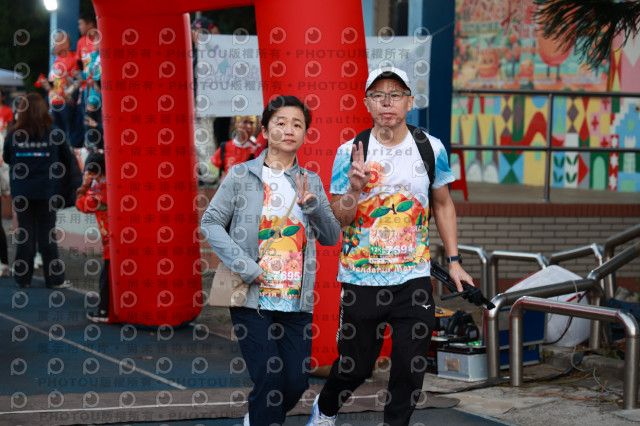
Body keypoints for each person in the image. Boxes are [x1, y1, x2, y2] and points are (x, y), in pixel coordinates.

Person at [307, 67, 475, 426]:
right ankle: (325, 409)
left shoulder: (430, 148)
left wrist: (455, 260)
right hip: (361, 279)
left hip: (413, 279)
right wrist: (354, 189)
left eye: (396, 94)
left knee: (411, 367)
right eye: (379, 95)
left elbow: (443, 204)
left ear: (409, 102)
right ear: (367, 103)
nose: (387, 102)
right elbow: (340, 218)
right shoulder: (350, 152)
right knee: (355, 366)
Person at [201, 95, 340, 426]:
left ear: (304, 133)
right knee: (269, 379)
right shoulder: (241, 175)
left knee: (295, 383)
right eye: (280, 122)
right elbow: (211, 222)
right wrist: (246, 266)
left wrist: (313, 206)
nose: (289, 130)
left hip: (296, 302)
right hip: (252, 297)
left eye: (297, 124)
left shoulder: (311, 181)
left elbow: (331, 236)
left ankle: (257, 417)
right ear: (264, 130)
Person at [3, 93, 71, 289]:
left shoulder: (14, 135)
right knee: (47, 234)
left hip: (22, 191)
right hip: (47, 190)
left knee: (25, 233)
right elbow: (67, 158)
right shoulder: (54, 133)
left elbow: (7, 158)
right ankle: (54, 280)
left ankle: (23, 279)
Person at [75, 152, 110, 322]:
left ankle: (105, 311)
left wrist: (84, 186)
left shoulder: (98, 190)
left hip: (111, 240)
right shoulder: (115, 183)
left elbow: (81, 205)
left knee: (107, 277)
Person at [38, 30, 83, 148]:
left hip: (66, 103)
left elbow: (79, 80)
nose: (54, 44)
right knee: (57, 135)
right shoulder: (57, 59)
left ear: (66, 43)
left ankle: (71, 155)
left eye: (57, 41)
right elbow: (56, 81)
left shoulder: (74, 58)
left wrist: (69, 94)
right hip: (54, 102)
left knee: (69, 135)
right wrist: (46, 84)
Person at [191, 16, 221, 186]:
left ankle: (210, 176)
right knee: (201, 139)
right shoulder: (201, 51)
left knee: (204, 139)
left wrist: (198, 103)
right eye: (195, 31)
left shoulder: (209, 52)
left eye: (199, 31)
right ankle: (208, 174)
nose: (195, 34)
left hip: (205, 103)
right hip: (201, 103)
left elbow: (207, 82)